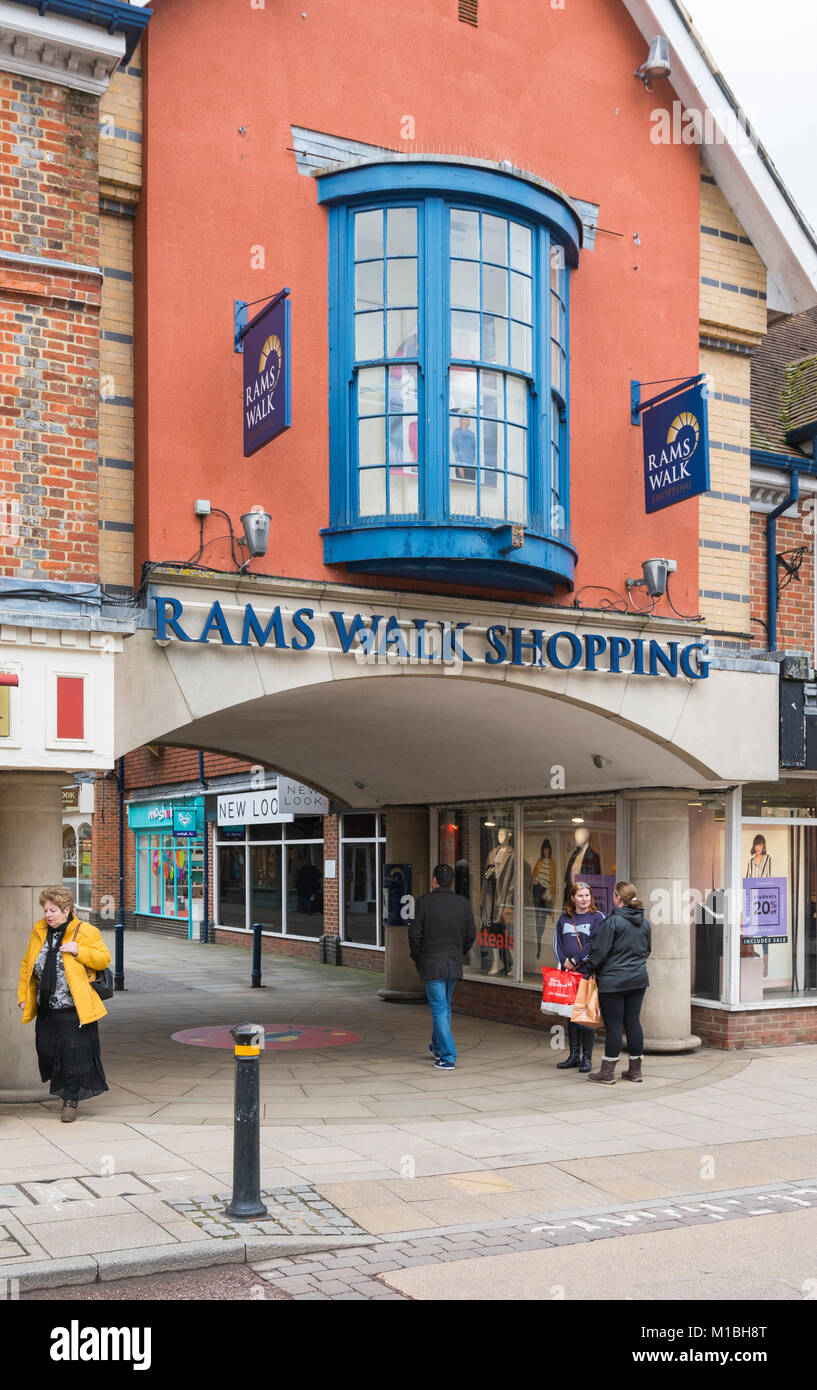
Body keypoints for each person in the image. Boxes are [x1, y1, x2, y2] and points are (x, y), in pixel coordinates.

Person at [18, 887, 110, 1121]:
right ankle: (65, 1087)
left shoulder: (85, 931)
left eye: (54, 910)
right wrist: (24, 996)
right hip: (47, 1008)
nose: (48, 915)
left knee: (72, 1057)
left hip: (74, 1009)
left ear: (66, 910)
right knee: (47, 1051)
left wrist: (79, 950)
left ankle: (70, 1100)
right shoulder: (39, 932)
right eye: (46, 910)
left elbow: (103, 959)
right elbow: (27, 965)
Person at [409, 862, 477, 1070]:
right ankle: (437, 1046)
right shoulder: (463, 904)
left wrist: (418, 957)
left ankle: (448, 1056)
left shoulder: (424, 903)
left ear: (434, 880)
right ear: (452, 882)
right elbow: (471, 934)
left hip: (432, 964)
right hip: (453, 964)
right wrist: (460, 952)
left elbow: (414, 934)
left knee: (439, 1009)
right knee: (444, 1006)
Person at [585, 880, 651, 1085]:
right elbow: (647, 950)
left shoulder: (612, 922)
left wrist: (591, 969)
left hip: (613, 982)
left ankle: (607, 1073)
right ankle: (635, 1071)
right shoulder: (644, 923)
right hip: (638, 980)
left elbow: (598, 952)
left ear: (617, 898)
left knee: (613, 1026)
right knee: (632, 1021)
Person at [553, 881, 605, 1074]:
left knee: (585, 1017)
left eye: (587, 895)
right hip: (569, 974)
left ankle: (587, 1059)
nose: (584, 899)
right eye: (581, 896)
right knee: (571, 1016)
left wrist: (576, 958)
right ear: (573, 898)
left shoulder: (597, 917)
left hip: (587, 974)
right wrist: (564, 960)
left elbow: (596, 943)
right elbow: (557, 943)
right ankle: (573, 1056)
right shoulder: (564, 919)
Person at [530, 838, 556, 960]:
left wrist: (549, 893)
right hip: (537, 890)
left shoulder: (552, 863)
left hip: (545, 892)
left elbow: (553, 882)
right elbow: (533, 877)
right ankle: (539, 945)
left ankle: (540, 942)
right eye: (544, 849)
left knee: (543, 919)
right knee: (537, 919)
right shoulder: (539, 862)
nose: (546, 851)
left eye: (548, 849)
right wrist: (535, 881)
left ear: (550, 850)